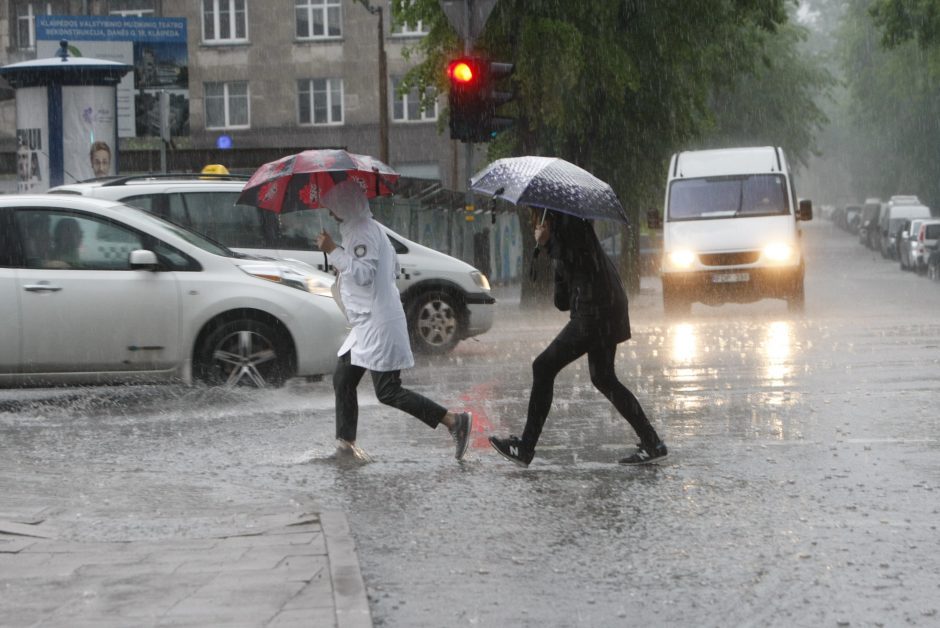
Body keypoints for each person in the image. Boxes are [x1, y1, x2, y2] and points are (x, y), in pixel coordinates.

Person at [489, 207, 667, 467]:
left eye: (535, 219)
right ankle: (652, 443)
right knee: (603, 377)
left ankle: (525, 448)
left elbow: (575, 258)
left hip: (598, 310)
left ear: (546, 216)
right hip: (602, 306)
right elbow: (561, 302)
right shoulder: (560, 237)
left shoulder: (573, 224)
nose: (533, 225)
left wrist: (549, 244)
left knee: (543, 366)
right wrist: (545, 248)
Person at [315, 179, 473, 461]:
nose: (330, 213)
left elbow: (363, 274)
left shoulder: (362, 231)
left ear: (344, 205)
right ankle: (346, 445)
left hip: (378, 322)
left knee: (388, 391)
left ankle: (453, 421)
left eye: (332, 207)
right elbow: (381, 270)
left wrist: (333, 251)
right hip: (367, 321)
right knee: (343, 378)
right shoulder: (363, 228)